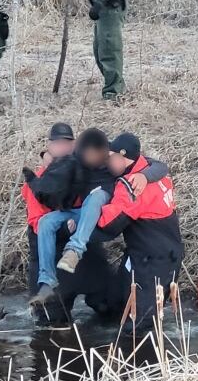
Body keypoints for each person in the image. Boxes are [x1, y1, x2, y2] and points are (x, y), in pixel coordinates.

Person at [26, 129, 168, 306]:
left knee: (97, 196)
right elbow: (52, 178)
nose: (91, 158)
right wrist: (46, 161)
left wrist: (144, 176)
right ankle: (47, 280)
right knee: (46, 222)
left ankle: (75, 250)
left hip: (104, 207)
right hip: (81, 214)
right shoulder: (76, 157)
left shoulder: (113, 155)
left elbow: (160, 166)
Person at [97, 133, 183, 330]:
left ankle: (138, 358)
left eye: (111, 157)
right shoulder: (152, 171)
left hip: (151, 263)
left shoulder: (130, 186)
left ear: (123, 157)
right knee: (116, 303)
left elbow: (109, 225)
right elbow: (158, 164)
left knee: (139, 326)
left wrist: (88, 212)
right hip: (159, 255)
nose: (108, 162)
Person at [21, 123, 76, 297]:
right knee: (51, 319)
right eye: (58, 144)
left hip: (75, 248)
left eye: (67, 143)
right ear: (49, 146)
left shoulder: (81, 171)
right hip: (46, 245)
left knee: (108, 304)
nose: (63, 148)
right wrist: (64, 228)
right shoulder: (37, 181)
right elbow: (37, 223)